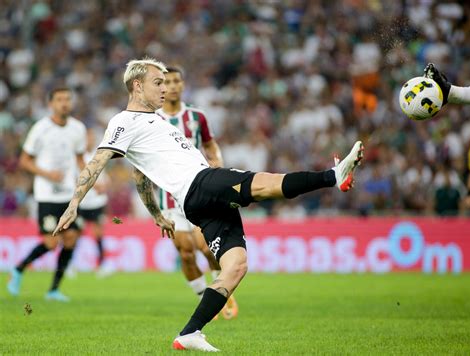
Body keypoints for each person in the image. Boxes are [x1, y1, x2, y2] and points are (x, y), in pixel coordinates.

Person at [53, 58, 364, 351]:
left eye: (166, 82)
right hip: (200, 184)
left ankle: (189, 333)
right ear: (137, 86)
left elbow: (141, 175)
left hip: (196, 203)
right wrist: (74, 203)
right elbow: (98, 160)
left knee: (236, 266)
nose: (165, 88)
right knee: (266, 183)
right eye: (158, 83)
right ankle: (333, 176)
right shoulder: (124, 121)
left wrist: (156, 213)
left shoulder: (154, 120)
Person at [156, 66, 238, 319]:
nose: (172, 86)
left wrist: (217, 165)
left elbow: (211, 146)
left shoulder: (196, 116)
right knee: (186, 252)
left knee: (205, 247)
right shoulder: (153, 119)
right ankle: (205, 298)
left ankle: (222, 289)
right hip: (168, 196)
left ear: (182, 84)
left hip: (198, 190)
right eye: (166, 81)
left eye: (176, 81)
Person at [7, 87, 86, 302]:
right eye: (60, 99)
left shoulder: (77, 128)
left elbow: (79, 159)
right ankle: (18, 269)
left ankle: (53, 290)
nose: (64, 103)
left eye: (68, 99)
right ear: (50, 103)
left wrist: (91, 179)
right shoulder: (40, 129)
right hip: (47, 195)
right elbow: (24, 161)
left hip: (68, 195)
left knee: (71, 239)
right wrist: (47, 174)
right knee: (51, 243)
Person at [77, 128, 110, 276]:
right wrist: (96, 186)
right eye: (87, 138)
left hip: (97, 202)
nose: (90, 140)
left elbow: (104, 176)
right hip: (83, 202)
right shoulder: (79, 157)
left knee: (98, 233)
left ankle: (101, 264)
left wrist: (104, 185)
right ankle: (71, 263)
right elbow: (79, 176)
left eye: (91, 137)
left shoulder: (98, 155)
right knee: (75, 233)